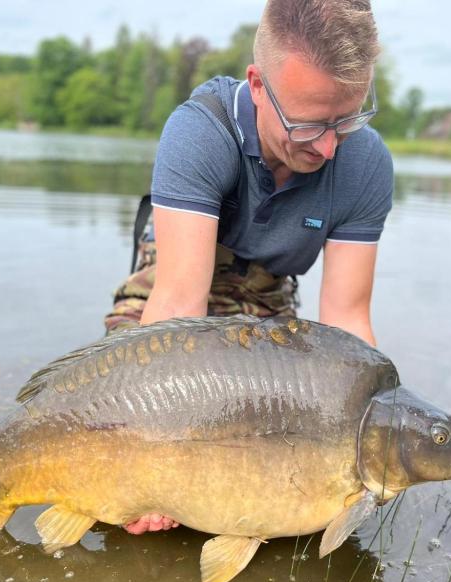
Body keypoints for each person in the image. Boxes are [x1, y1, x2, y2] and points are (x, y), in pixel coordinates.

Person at [107, 0, 394, 535]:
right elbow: (176, 311)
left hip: (266, 289)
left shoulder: (367, 164)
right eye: (309, 126)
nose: (330, 148)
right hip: (180, 277)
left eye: (348, 118)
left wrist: (374, 440)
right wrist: (149, 448)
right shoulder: (201, 132)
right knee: (125, 439)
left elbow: (347, 325)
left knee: (274, 423)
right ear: (258, 85)